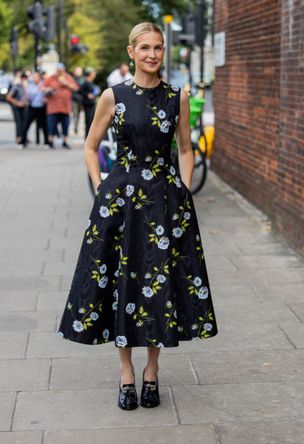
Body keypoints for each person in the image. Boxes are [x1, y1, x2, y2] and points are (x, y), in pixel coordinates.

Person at [57, 22, 218, 411]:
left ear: (163, 52)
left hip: (165, 203)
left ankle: (152, 371)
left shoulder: (176, 97)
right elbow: (91, 146)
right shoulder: (113, 96)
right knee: (121, 284)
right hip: (122, 202)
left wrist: (182, 184)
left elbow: (184, 146)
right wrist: (99, 187)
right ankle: (126, 373)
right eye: (144, 47)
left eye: (158, 47)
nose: (151, 54)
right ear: (131, 51)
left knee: (159, 283)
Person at [42, 63, 79, 149]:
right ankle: (50, 142)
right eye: (58, 70)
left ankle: (65, 142)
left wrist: (66, 83)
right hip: (53, 107)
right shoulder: (51, 78)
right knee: (51, 125)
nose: (59, 72)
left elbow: (75, 88)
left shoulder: (68, 77)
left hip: (65, 107)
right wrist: (47, 90)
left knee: (65, 125)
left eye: (61, 70)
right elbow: (43, 88)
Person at [21, 71, 50, 148]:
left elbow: (49, 92)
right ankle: (22, 141)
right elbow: (27, 96)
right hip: (32, 107)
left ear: (39, 77)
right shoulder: (30, 85)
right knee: (26, 124)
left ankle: (46, 142)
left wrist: (45, 94)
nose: (34, 78)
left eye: (36, 77)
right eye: (33, 77)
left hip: (41, 107)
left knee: (44, 125)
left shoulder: (44, 84)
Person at [6, 71, 29, 148]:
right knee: (19, 124)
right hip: (17, 108)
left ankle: (24, 139)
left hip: (25, 107)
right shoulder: (16, 86)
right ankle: (19, 140)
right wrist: (17, 103)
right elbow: (9, 97)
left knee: (25, 124)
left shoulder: (28, 87)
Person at [79, 67, 100, 138]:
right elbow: (80, 91)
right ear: (89, 74)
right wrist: (87, 94)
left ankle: (90, 137)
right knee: (88, 122)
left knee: (92, 121)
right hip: (87, 104)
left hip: (92, 104)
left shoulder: (91, 82)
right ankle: (87, 138)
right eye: (93, 73)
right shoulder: (85, 82)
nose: (94, 74)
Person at [72, 66, 84, 134]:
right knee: (75, 114)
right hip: (74, 99)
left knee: (79, 114)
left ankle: (77, 127)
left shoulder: (83, 79)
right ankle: (75, 127)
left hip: (81, 100)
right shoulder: (72, 79)